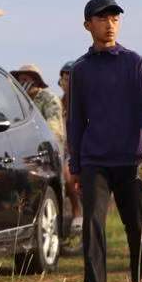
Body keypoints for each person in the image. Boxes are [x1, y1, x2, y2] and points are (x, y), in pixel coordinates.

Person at [67, 0, 142, 282]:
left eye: (115, 19)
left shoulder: (133, 62)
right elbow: (76, 119)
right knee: (93, 225)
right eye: (103, 19)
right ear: (88, 25)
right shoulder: (80, 70)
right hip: (95, 159)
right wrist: (76, 164)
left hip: (132, 160)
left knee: (139, 224)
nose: (110, 25)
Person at [57, 61, 82, 233]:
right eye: (65, 79)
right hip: (62, 149)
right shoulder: (57, 103)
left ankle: (77, 211)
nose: (68, 83)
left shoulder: (83, 103)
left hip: (78, 150)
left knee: (67, 172)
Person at [11, 64, 65, 142]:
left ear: (35, 82)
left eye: (25, 79)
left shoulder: (49, 98)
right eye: (20, 80)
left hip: (48, 144)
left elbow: (53, 123)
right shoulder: (20, 100)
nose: (21, 83)